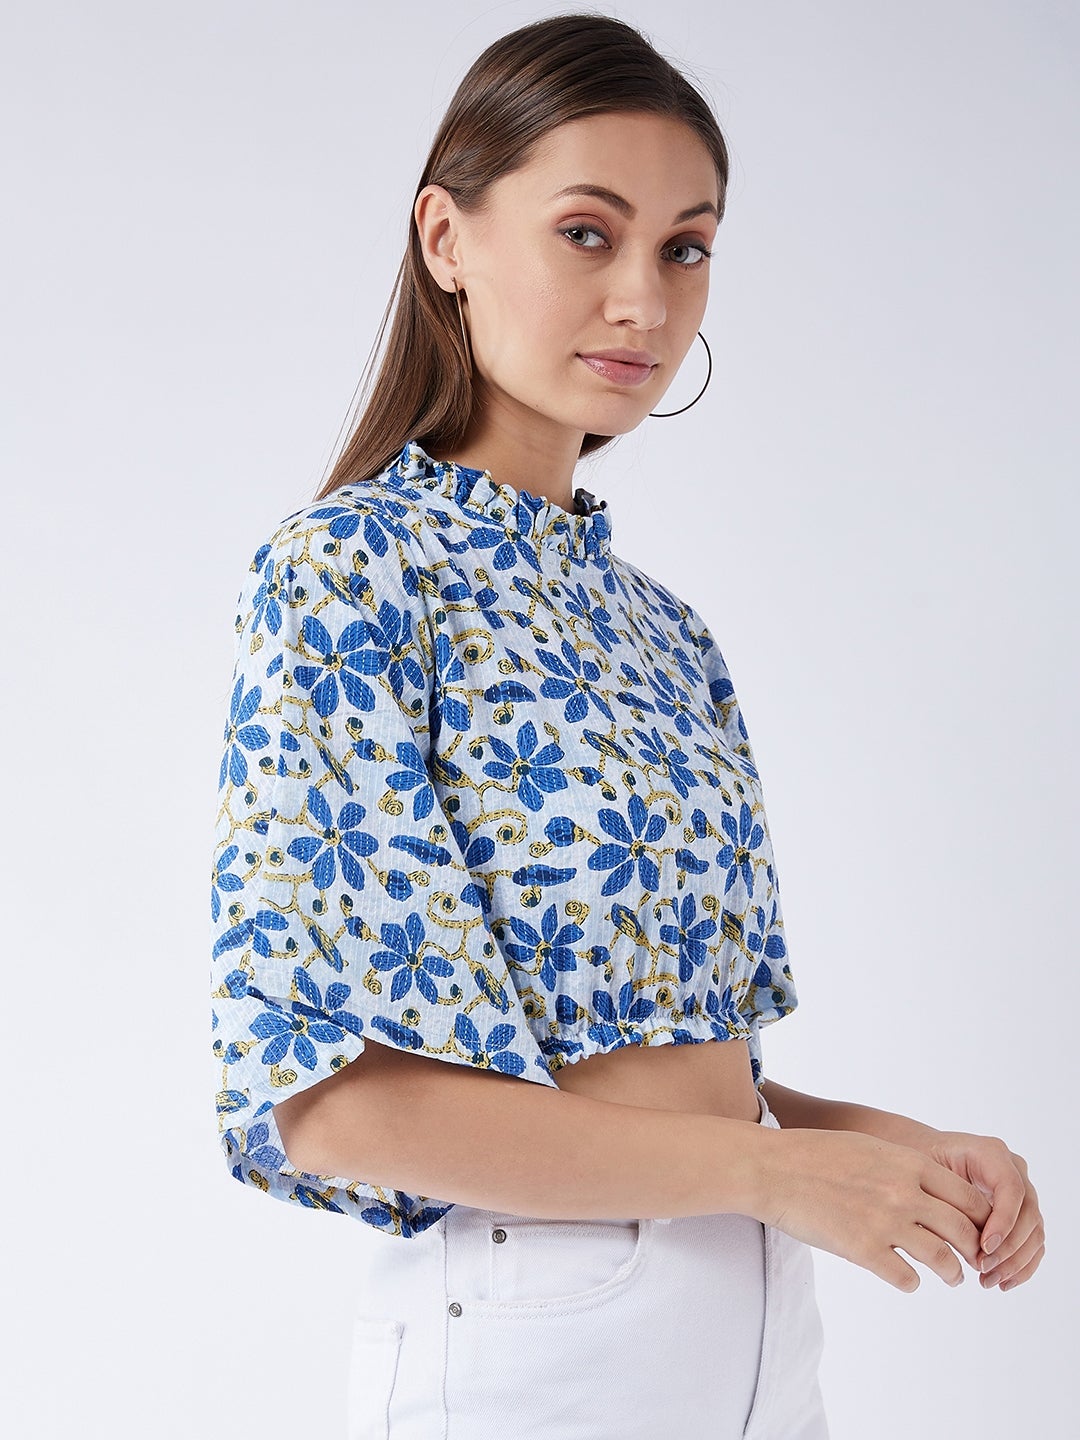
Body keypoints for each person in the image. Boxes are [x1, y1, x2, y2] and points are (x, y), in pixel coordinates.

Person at [208, 13, 1044, 1436]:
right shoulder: (351, 574)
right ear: (446, 237)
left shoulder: (665, 633)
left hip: (763, 1335)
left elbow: (681, 1075)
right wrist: (775, 1175)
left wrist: (897, 1150)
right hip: (539, 1340)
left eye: (686, 247)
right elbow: (335, 1101)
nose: (645, 301)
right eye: (588, 234)